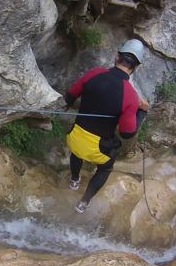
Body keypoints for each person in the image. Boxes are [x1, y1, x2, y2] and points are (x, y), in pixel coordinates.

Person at [64, 39, 149, 213]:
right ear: (136, 67)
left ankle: (74, 180)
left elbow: (70, 96)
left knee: (77, 151)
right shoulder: (131, 96)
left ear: (117, 57)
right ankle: (83, 202)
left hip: (75, 138)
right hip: (97, 150)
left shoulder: (94, 74)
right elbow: (126, 133)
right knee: (105, 168)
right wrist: (142, 112)